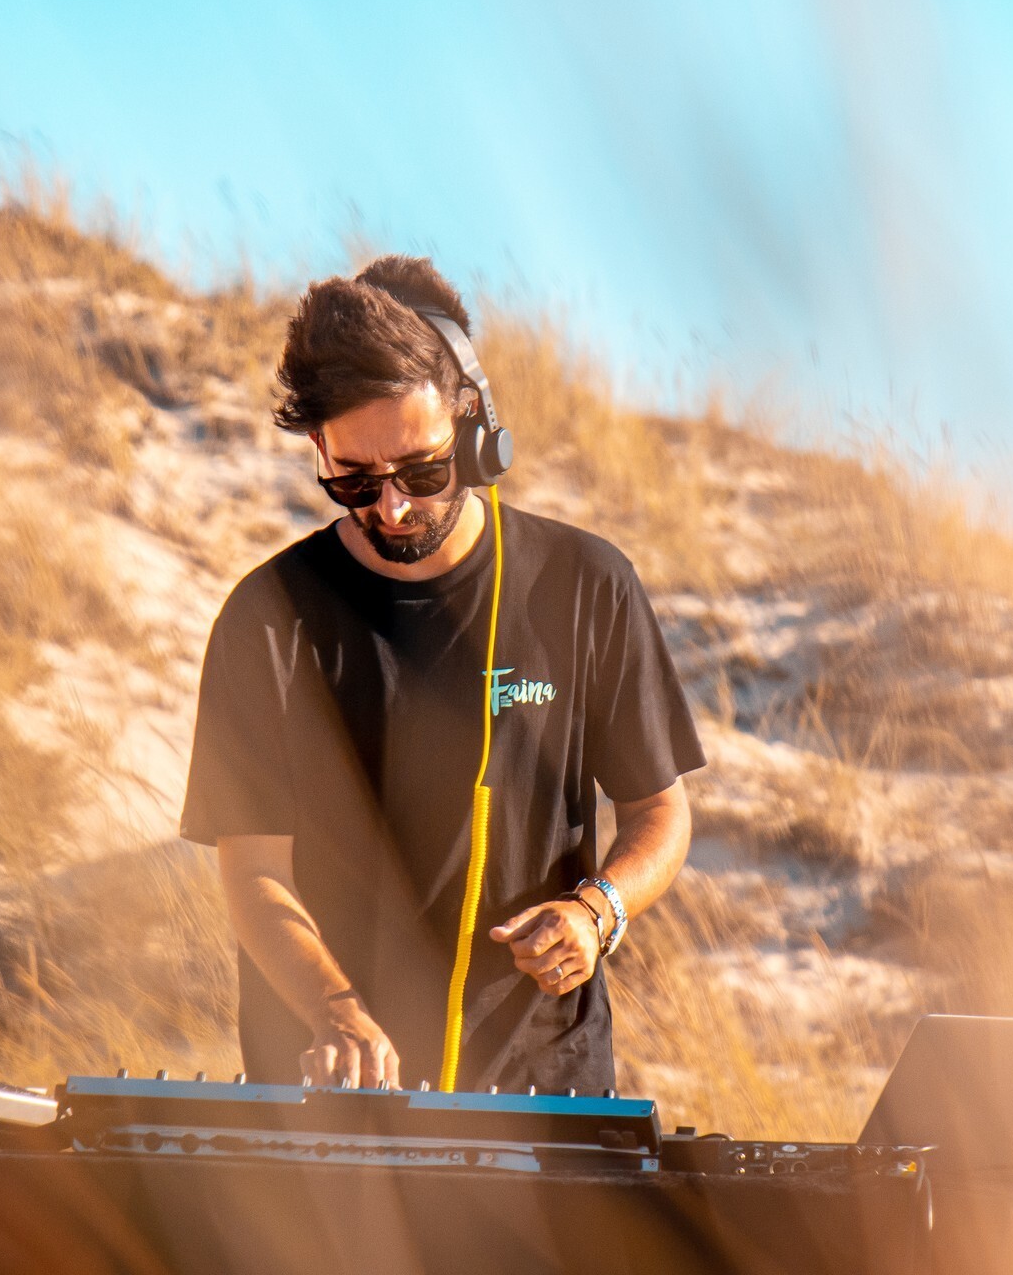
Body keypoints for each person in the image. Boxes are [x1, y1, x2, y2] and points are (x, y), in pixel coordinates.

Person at [180, 254, 703, 1097]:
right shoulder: (266, 619)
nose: (391, 507)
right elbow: (255, 872)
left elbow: (658, 813)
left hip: (542, 1097)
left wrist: (598, 911)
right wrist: (336, 1013)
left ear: (472, 429)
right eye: (352, 480)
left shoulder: (585, 585)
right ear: (318, 447)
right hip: (330, 1099)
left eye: (422, 472)